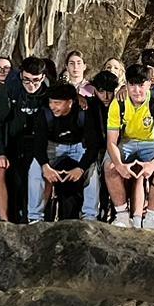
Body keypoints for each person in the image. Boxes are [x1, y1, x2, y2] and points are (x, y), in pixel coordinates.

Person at [105, 64, 154, 229]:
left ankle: (151, 216)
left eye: (141, 85)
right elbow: (111, 141)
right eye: (132, 85)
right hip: (126, 143)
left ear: (149, 84)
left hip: (151, 143)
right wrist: (119, 165)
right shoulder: (118, 103)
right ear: (126, 85)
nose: (136, 90)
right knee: (110, 166)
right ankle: (121, 215)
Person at [0, 56, 50, 222]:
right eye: (27, 80)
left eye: (36, 81)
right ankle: (4, 220)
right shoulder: (12, 86)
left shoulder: (49, 89)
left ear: (43, 77)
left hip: (40, 142)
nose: (31, 85)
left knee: (45, 170)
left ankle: (36, 217)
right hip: (15, 140)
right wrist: (0, 152)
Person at [34, 82, 101, 220]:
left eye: (57, 103)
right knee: (35, 168)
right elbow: (38, 143)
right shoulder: (45, 113)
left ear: (70, 102)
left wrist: (81, 169)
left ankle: (90, 216)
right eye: (51, 102)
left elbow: (93, 145)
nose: (53, 106)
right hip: (53, 147)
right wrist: (45, 166)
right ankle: (35, 217)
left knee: (93, 169)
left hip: (78, 146)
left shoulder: (83, 112)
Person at [79, 69, 118, 219]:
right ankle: (90, 215)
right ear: (94, 89)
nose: (106, 96)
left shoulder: (121, 105)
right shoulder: (89, 106)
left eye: (110, 91)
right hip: (93, 150)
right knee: (92, 170)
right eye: (101, 91)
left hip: (115, 150)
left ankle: (117, 213)